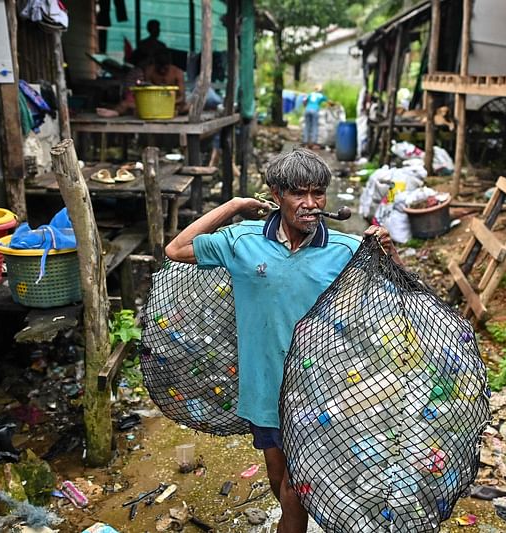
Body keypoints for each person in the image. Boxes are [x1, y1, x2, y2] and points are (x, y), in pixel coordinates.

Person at [165, 148, 401, 533]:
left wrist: (390, 253)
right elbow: (176, 249)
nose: (310, 204)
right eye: (298, 194)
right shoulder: (242, 242)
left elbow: (405, 293)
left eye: (318, 194)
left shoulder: (345, 249)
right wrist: (235, 204)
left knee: (295, 491)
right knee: (280, 481)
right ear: (276, 194)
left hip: (323, 391)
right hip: (264, 387)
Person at [144, 48, 188, 114]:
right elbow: (145, 92)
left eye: (165, 67)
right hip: (154, 103)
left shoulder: (178, 73)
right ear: (155, 63)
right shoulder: (149, 71)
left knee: (186, 108)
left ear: (170, 64)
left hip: (174, 103)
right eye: (159, 67)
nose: (162, 70)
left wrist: (169, 103)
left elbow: (182, 97)